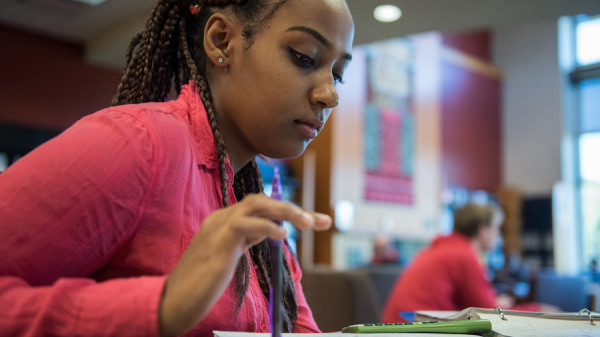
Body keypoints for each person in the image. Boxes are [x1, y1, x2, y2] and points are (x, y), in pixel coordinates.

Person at [0, 0, 354, 336]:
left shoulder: (256, 213)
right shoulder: (138, 144)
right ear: (222, 41)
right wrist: (164, 305)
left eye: (338, 75)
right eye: (304, 57)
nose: (330, 94)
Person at [382, 202, 546, 323]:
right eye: (496, 229)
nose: (498, 236)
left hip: (398, 325)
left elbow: (469, 303)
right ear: (482, 231)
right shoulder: (464, 255)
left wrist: (491, 302)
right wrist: (538, 310)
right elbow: (487, 314)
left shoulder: (440, 248)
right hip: (414, 330)